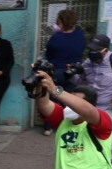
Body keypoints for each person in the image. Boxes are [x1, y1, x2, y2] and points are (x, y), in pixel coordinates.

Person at [43, 8, 86, 136]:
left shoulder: (56, 37)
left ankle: (48, 127)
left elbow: (49, 53)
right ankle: (69, 125)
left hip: (57, 73)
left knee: (53, 97)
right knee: (69, 99)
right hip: (73, 73)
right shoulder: (79, 34)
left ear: (61, 21)